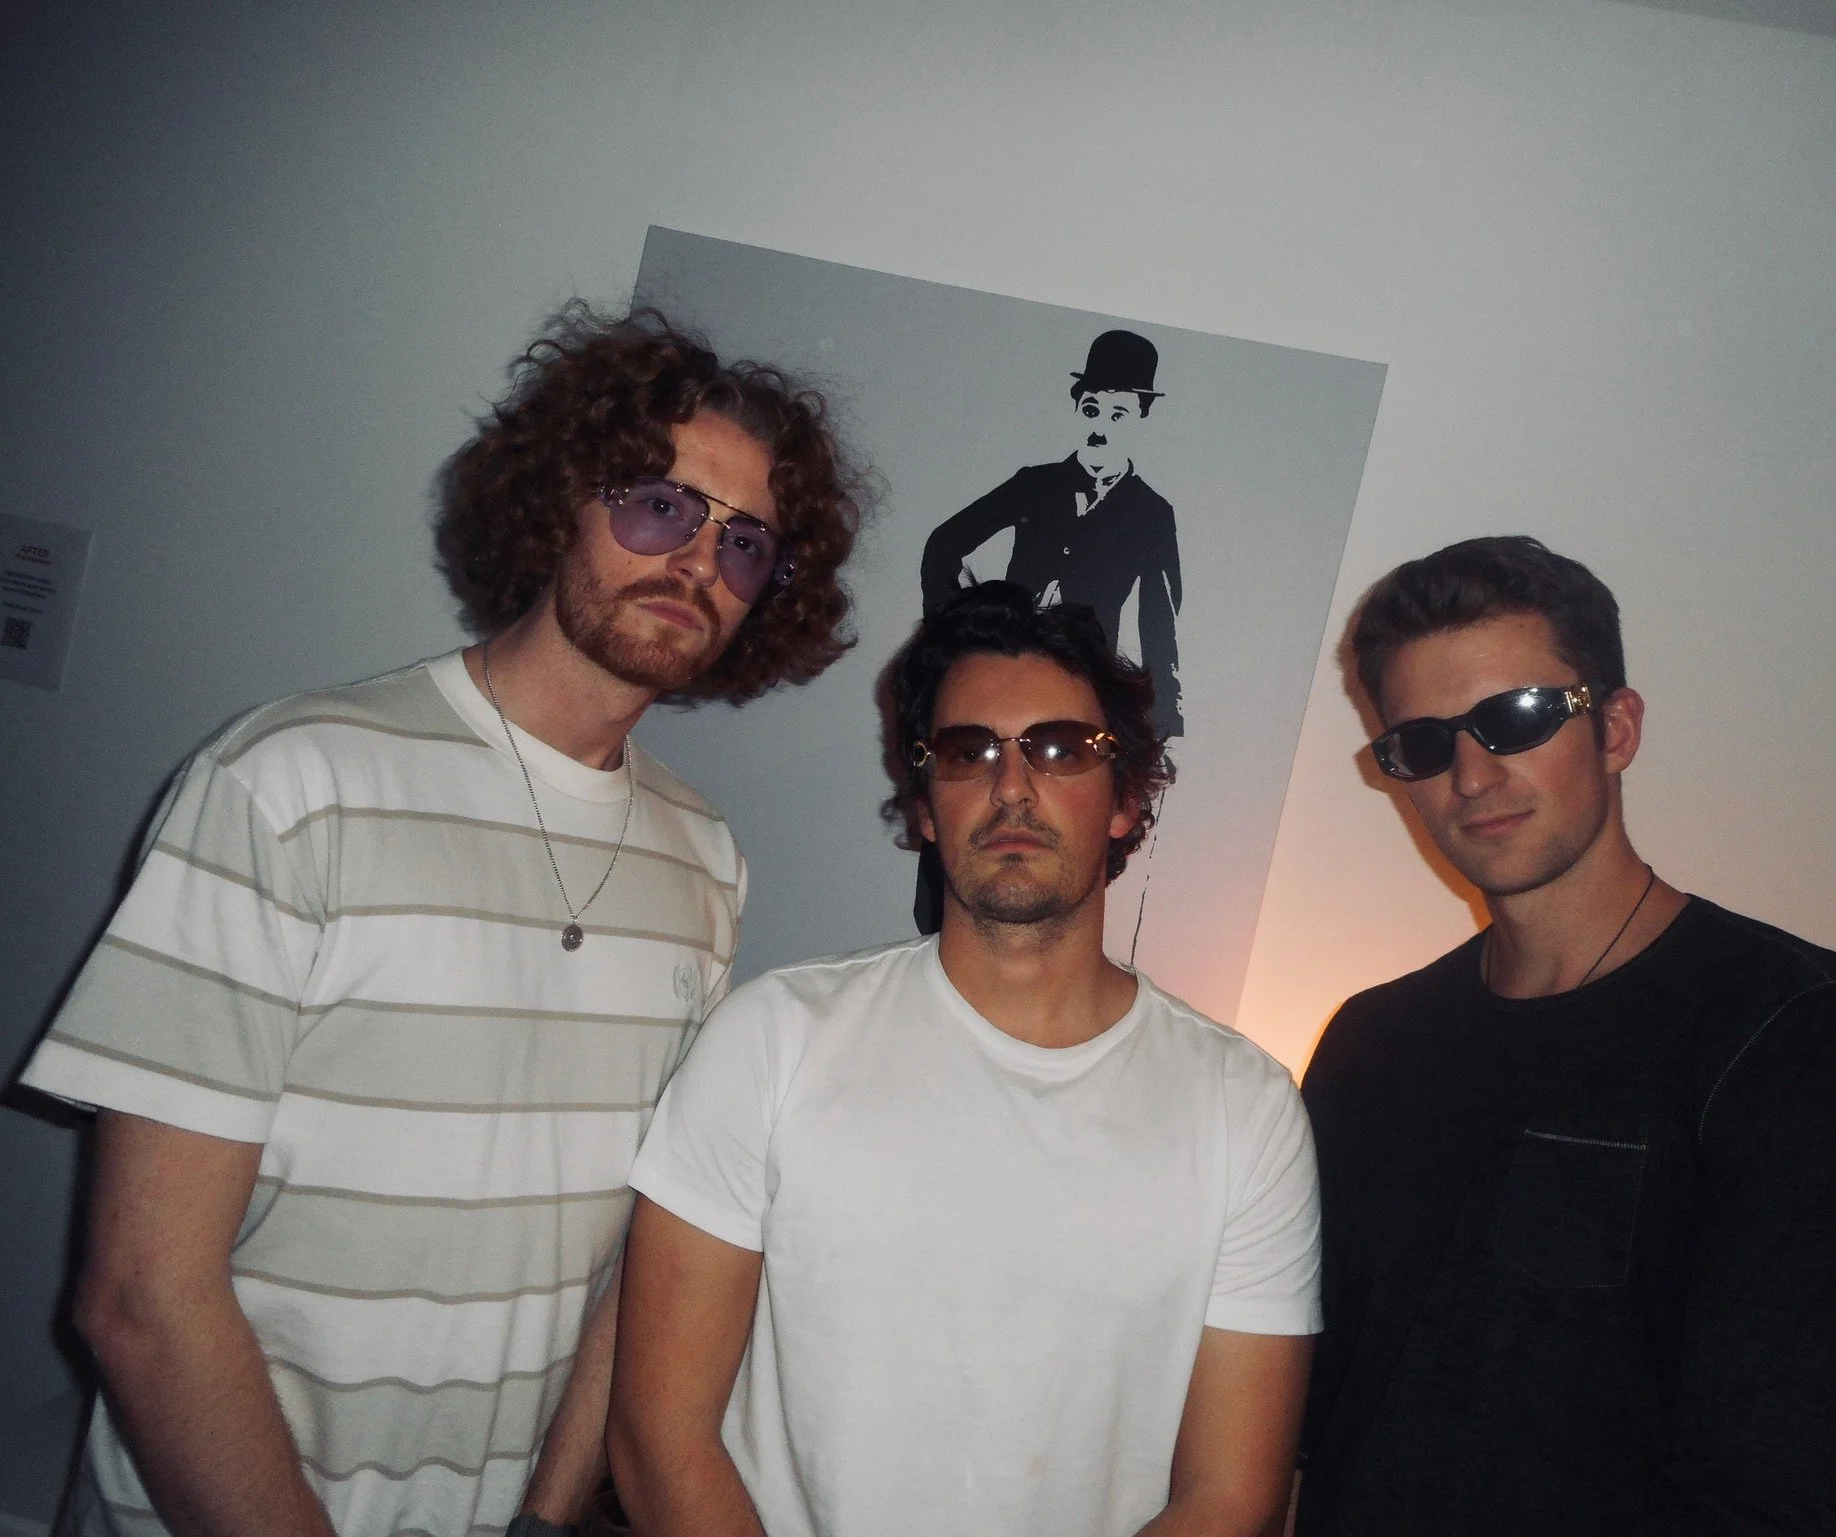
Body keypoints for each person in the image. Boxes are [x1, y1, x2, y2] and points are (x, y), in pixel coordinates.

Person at [17, 303, 863, 1537]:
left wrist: (547, 1513)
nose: (698, 561)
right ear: (559, 499)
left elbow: (632, 1250)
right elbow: (142, 1296)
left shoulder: (706, 862)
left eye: (745, 544)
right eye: (659, 505)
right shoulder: (292, 783)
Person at [609, 581, 1319, 1537]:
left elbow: (1230, 1497)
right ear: (926, 806)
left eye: (1060, 748)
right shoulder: (772, 1037)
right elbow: (659, 1433)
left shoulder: (1245, 1108)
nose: (1011, 786)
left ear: (1125, 799)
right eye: (967, 750)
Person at [1295, 536, 1836, 1535]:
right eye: (1422, 742)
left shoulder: (1799, 1034)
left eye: (1515, 717)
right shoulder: (1369, 1043)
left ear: (1617, 726)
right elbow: (1306, 1407)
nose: (1471, 774)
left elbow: (1800, 1491)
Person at [920, 329, 1184, 738]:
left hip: (1081, 699)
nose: (1100, 430)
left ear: (1140, 418)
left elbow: (1159, 628)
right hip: (1000, 685)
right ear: (1077, 407)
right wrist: (953, 639)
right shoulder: (1034, 484)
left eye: (1118, 415)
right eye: (1092, 410)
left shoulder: (1152, 513)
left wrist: (1164, 729)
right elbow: (943, 545)